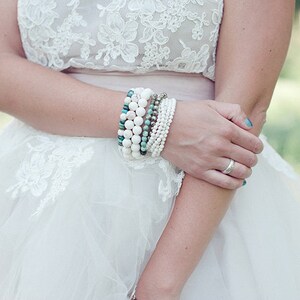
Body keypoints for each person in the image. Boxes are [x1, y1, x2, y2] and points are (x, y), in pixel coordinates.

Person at [0, 1, 299, 300]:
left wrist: (162, 284)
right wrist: (157, 122)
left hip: (193, 206)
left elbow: (243, 111)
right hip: (33, 196)